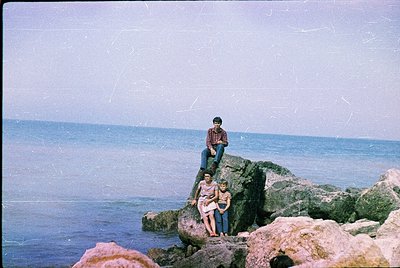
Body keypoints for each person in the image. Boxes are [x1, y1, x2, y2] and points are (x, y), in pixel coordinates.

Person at [191, 170, 219, 237]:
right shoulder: (201, 183)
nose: (206, 178)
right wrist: (195, 199)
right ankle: (210, 232)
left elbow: (216, 196)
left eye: (208, 176)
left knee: (211, 215)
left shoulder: (215, 184)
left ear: (211, 177)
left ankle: (214, 232)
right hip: (202, 200)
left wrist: (209, 201)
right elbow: (197, 191)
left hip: (210, 200)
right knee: (205, 217)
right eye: (205, 176)